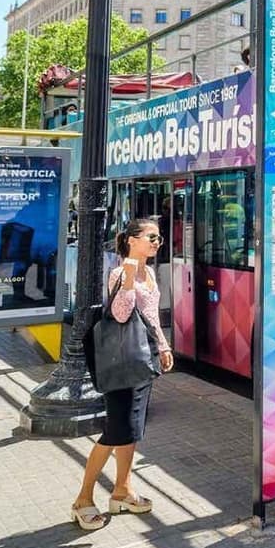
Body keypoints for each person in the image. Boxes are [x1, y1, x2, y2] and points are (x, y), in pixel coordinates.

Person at [72, 218, 174, 530]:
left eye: (159, 238)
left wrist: (164, 346)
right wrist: (129, 273)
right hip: (121, 363)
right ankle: (83, 500)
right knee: (115, 432)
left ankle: (122, 491)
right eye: (151, 237)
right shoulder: (120, 272)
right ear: (131, 240)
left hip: (143, 360)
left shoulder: (151, 272)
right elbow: (120, 313)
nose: (157, 242)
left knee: (132, 432)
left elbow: (152, 317)